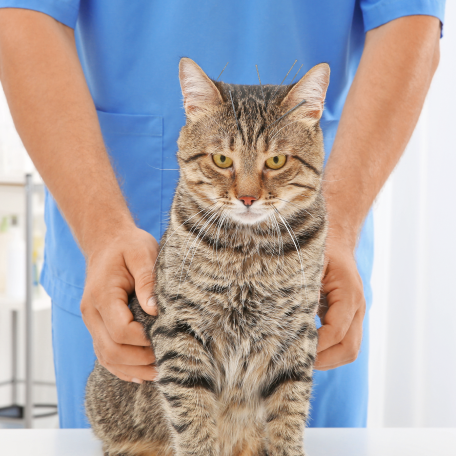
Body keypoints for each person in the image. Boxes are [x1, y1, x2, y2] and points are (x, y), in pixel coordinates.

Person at [0, 1, 444, 429]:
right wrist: (99, 229)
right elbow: (23, 15)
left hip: (307, 245)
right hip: (107, 231)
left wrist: (338, 225)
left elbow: (410, 22)